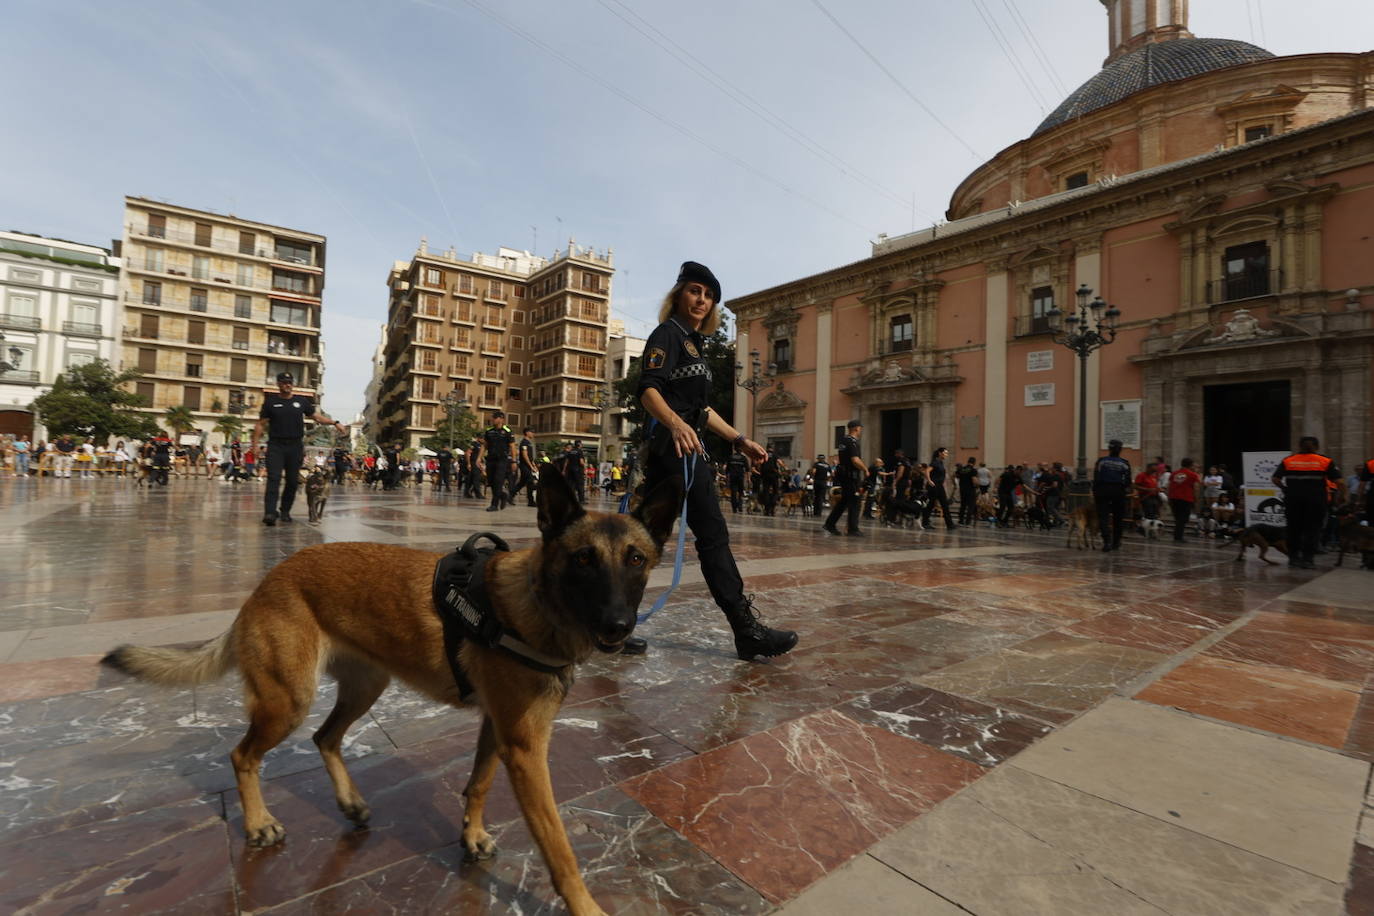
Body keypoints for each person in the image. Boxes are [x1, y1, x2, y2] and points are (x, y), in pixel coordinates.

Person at [636, 260, 798, 660]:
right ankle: (746, 630)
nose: (702, 300)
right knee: (711, 537)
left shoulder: (696, 345)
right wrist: (674, 424)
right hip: (674, 452)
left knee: (643, 540)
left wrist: (740, 440)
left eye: (709, 296)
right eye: (695, 291)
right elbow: (647, 390)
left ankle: (606, 618)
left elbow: (702, 411)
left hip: (687, 451)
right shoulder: (667, 335)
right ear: (678, 294)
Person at [251, 372, 343, 525]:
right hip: (276, 446)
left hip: (295, 446)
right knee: (273, 478)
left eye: (290, 382)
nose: (287, 384)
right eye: (284, 382)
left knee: (293, 481)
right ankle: (270, 513)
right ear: (278, 384)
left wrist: (335, 423)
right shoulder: (270, 402)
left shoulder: (301, 402)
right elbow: (261, 424)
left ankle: (285, 511)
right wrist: (255, 445)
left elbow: (317, 417)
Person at [1272, 436, 1342, 569]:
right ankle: (1308, 559)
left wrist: (1285, 489)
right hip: (1316, 501)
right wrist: (1340, 496)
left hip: (1293, 501)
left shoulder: (1289, 461)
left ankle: (1293, 558)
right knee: (1313, 530)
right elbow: (1340, 482)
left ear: (1299, 446)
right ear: (1316, 447)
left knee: (1293, 529)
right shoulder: (1325, 461)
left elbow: (1275, 478)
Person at [824, 419, 867, 536]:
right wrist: (865, 469)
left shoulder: (843, 440)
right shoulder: (852, 442)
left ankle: (830, 524)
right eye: (860, 428)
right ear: (856, 428)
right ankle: (853, 529)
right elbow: (855, 460)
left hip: (844, 475)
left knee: (844, 501)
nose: (861, 430)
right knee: (855, 501)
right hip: (851, 476)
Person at [1092, 439, 1132, 551]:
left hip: (1102, 490)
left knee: (1103, 517)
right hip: (1118, 491)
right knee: (1118, 518)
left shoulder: (1101, 461)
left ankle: (1106, 542)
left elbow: (1096, 478)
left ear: (1109, 449)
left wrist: (1095, 492)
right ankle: (1116, 542)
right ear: (1120, 450)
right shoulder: (1125, 463)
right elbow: (1127, 481)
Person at [473, 410, 514, 511]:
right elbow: (484, 446)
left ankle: (494, 505)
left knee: (498, 481)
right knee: (491, 481)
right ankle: (502, 495)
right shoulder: (489, 431)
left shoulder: (508, 431)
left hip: (502, 460)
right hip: (490, 459)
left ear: (501, 419)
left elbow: (513, 447)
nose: (492, 420)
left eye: (494, 418)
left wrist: (514, 461)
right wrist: (479, 458)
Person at [1167, 457, 1202, 542]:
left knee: (1177, 518)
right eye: (1193, 465)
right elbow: (1196, 487)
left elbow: (1169, 486)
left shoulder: (1174, 473)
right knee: (1183, 518)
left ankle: (1177, 535)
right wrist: (1196, 499)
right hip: (1186, 499)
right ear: (1190, 465)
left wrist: (1168, 497)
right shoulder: (1193, 475)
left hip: (1173, 498)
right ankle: (1178, 537)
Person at [922, 446, 957, 530]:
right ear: (940, 453)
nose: (946, 455)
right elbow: (927, 471)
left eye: (947, 453)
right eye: (945, 453)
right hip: (934, 486)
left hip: (939, 486)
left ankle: (950, 525)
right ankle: (925, 522)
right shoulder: (935, 462)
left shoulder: (940, 462)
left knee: (944, 505)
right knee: (931, 504)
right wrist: (929, 481)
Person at [510, 427, 538, 506]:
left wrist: (533, 465)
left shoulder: (529, 443)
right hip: (524, 465)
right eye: (532, 432)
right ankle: (531, 501)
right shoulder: (524, 442)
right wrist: (530, 466)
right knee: (530, 482)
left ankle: (510, 496)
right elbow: (525, 455)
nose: (533, 434)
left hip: (528, 465)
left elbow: (530, 456)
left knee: (522, 483)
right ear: (527, 433)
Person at [956, 456, 979, 525]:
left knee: (963, 505)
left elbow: (954, 475)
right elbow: (974, 480)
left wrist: (955, 484)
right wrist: (977, 485)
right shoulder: (973, 470)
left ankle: (961, 521)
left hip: (962, 490)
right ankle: (967, 522)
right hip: (970, 490)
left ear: (968, 461)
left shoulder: (962, 469)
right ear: (974, 463)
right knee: (971, 506)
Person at [809, 453, 831, 518]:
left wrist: (812, 477)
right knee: (821, 497)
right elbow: (831, 474)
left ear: (819, 459)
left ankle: (815, 512)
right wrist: (827, 479)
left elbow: (813, 472)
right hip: (824, 482)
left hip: (817, 482)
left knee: (816, 496)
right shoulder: (827, 465)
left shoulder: (816, 464)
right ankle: (819, 513)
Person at [727, 449, 749, 513]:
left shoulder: (731, 457)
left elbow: (727, 469)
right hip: (740, 477)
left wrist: (727, 478)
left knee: (733, 493)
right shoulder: (743, 458)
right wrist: (748, 479)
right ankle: (740, 506)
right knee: (740, 493)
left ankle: (734, 508)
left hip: (733, 477)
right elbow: (747, 469)